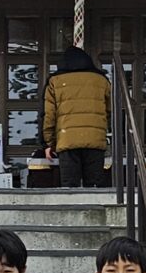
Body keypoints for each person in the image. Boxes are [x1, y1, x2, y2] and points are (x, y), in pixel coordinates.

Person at [43, 43, 110, 187]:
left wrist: (49, 143)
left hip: (66, 140)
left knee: (69, 187)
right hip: (95, 140)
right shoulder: (101, 80)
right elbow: (111, 110)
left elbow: (49, 115)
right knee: (94, 186)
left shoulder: (55, 81)